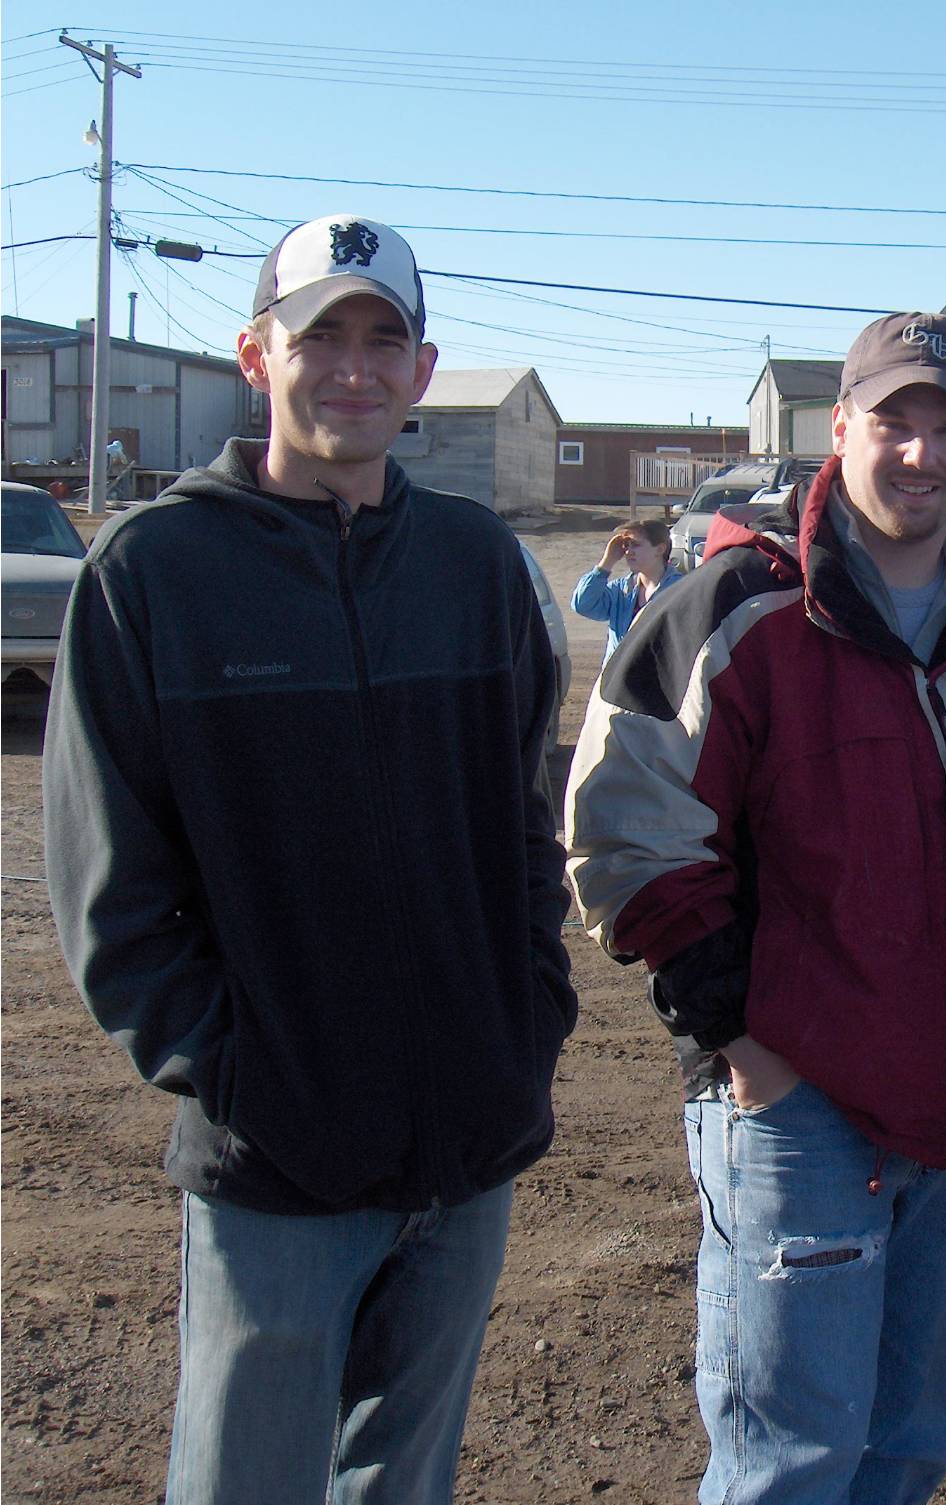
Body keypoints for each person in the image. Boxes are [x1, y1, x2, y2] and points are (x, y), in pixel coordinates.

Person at [43, 214, 576, 1503]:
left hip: (470, 1139)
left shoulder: (474, 565)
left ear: (421, 367)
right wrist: (241, 1077)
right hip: (276, 1162)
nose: (352, 367)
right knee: (247, 1477)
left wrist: (523, 1023)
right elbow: (113, 895)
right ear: (254, 355)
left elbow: (524, 823)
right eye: (318, 335)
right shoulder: (154, 572)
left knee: (407, 1476)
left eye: (382, 340)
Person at [564, 311, 946, 1504]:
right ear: (840, 425)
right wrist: (745, 1044)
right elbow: (626, 836)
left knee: (912, 1439)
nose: (919, 452)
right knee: (790, 1463)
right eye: (893, 420)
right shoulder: (738, 610)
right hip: (798, 1115)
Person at [573, 517, 679, 663]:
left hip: (657, 674)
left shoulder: (679, 589)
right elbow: (583, 605)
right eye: (626, 545)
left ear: (660, 549)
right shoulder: (621, 589)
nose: (628, 552)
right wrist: (607, 562)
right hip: (617, 674)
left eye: (635, 545)